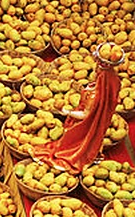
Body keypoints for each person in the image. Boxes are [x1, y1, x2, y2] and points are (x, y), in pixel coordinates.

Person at [31, 42, 124, 173]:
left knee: (71, 146)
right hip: (92, 124)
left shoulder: (94, 96)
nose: (95, 70)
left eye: (98, 69)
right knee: (93, 137)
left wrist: (66, 111)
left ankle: (82, 156)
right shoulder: (103, 88)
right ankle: (93, 152)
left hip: (83, 126)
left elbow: (86, 116)